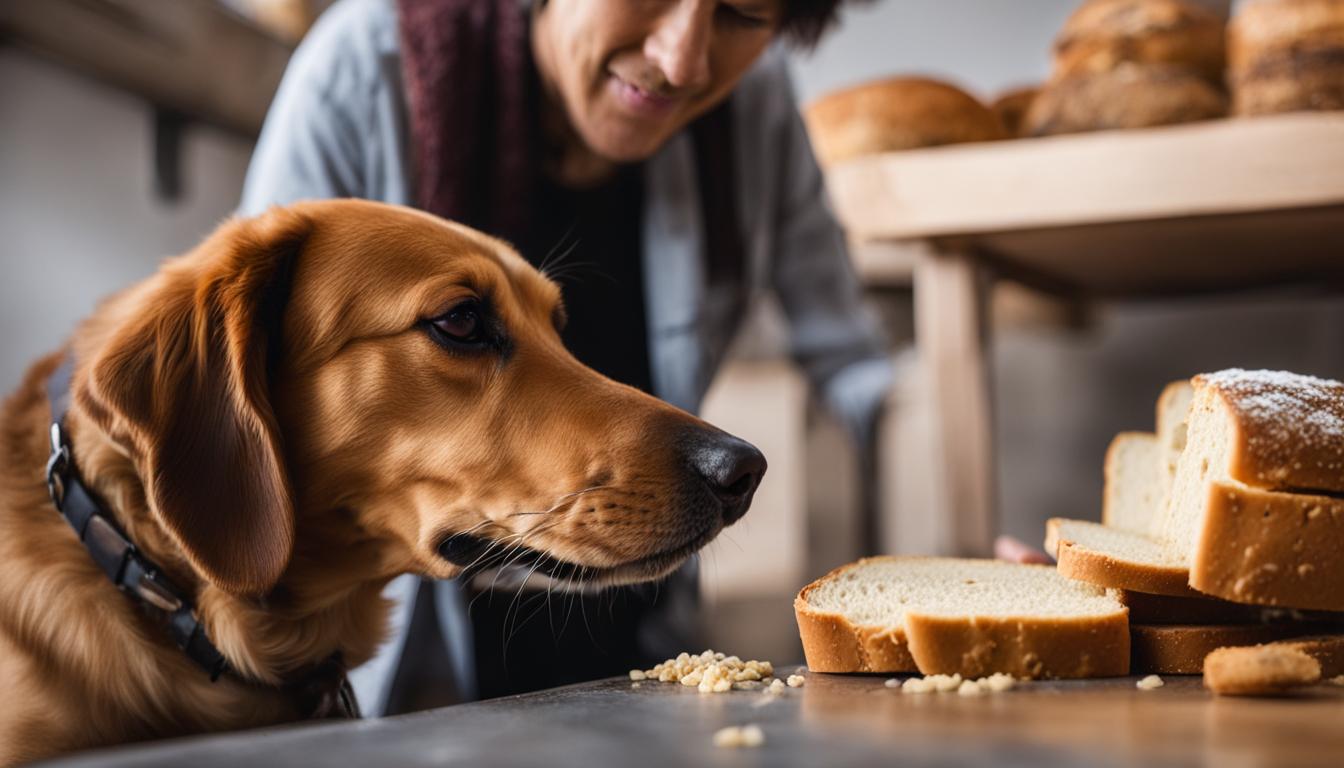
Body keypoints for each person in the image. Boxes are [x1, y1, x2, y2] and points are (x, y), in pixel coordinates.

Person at [240, 0, 892, 714]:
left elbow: (853, 364)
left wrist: (981, 547)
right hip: (408, 697)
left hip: (647, 662)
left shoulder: (755, 105)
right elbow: (260, 418)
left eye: (741, 14)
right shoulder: (363, 72)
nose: (683, 61)